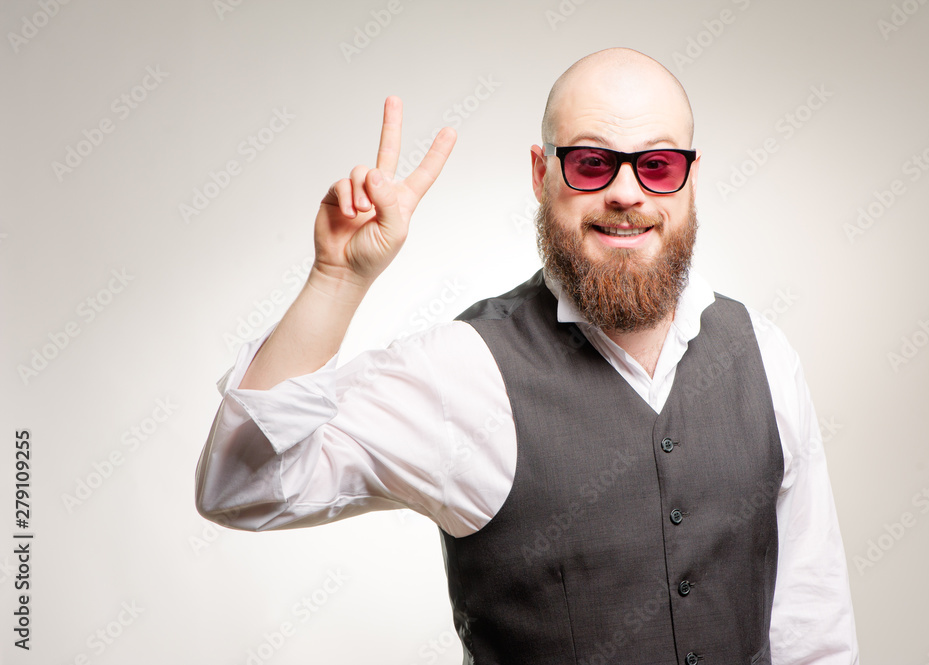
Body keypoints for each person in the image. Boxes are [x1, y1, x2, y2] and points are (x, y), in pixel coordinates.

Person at [195, 48, 860, 664]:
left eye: (657, 166)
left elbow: (813, 628)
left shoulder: (765, 355)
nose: (627, 193)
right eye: (592, 163)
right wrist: (336, 282)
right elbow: (241, 487)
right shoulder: (464, 371)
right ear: (542, 175)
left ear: (689, 180)